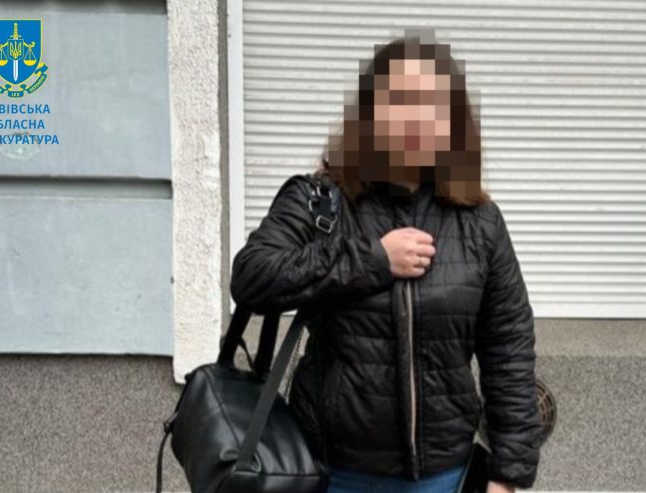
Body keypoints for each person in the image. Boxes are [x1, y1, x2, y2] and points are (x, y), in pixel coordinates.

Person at [230, 30, 542, 493]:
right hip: (333, 473)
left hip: (443, 477)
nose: (414, 119)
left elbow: (508, 348)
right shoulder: (322, 202)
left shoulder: (479, 222)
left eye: (431, 105)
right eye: (399, 101)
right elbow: (251, 275)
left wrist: (507, 474)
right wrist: (372, 261)